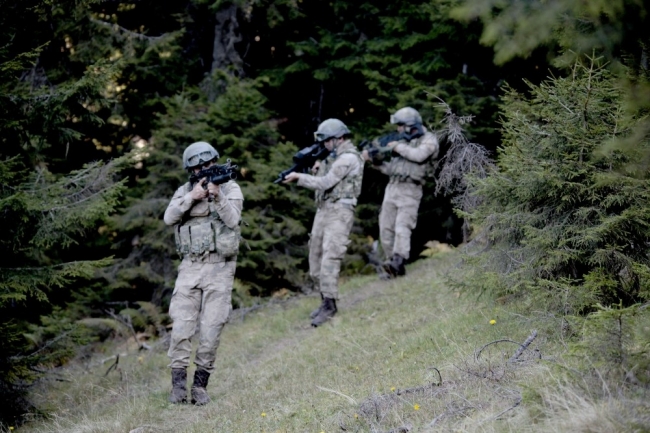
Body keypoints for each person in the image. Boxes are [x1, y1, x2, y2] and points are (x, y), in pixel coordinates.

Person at [163, 141, 243, 405]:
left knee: (211, 331)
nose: (205, 170)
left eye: (208, 164)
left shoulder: (230, 187)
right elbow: (169, 217)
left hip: (220, 268)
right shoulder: (185, 191)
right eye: (199, 167)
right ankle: (177, 388)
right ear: (191, 170)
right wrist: (192, 197)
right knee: (181, 329)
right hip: (190, 267)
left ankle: (199, 386)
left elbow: (233, 221)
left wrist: (217, 195)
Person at [283, 119, 364, 327]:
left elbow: (326, 182)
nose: (325, 145)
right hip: (324, 210)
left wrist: (298, 178)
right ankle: (324, 300)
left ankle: (330, 304)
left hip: (340, 212)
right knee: (315, 256)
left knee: (330, 256)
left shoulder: (347, 158)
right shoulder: (332, 156)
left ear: (339, 139)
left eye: (327, 140)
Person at [362, 107, 439, 277]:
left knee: (402, 226)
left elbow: (419, 156)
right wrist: (374, 162)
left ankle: (398, 260)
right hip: (393, 187)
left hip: (411, 189)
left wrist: (397, 147)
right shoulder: (404, 141)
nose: (398, 129)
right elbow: (393, 169)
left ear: (411, 125)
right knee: (385, 227)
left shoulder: (428, 140)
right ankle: (391, 265)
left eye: (400, 125)